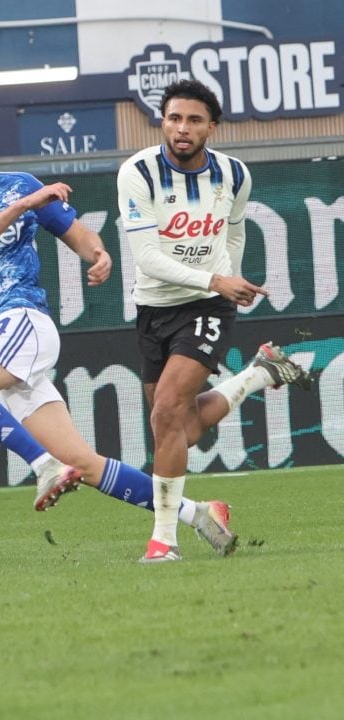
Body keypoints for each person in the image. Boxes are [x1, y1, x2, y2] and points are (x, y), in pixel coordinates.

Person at [0, 95, 238, 557]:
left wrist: (98, 253)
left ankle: (43, 466)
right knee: (82, 462)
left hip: (23, 322)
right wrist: (24, 205)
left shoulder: (18, 185)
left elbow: (78, 233)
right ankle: (198, 512)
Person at [117, 79, 312, 563]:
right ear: (163, 121)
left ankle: (163, 542)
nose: (182, 129)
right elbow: (147, 257)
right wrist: (217, 278)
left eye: (194, 120)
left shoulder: (234, 175)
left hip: (207, 306)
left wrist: (228, 279)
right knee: (179, 428)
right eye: (174, 118)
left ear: (212, 127)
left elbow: (237, 227)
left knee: (165, 412)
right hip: (153, 307)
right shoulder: (137, 172)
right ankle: (257, 373)